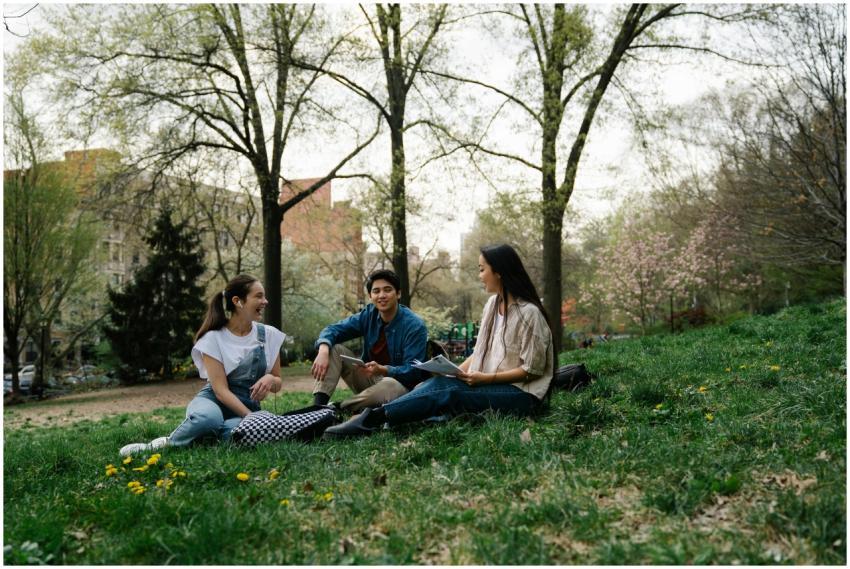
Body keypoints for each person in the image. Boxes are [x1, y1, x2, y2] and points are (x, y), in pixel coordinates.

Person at [324, 244, 554, 438]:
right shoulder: (491, 306)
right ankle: (385, 417)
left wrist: (486, 378)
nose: (479, 275)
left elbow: (532, 370)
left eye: (482, 269)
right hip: (491, 384)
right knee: (435, 384)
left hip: (521, 395)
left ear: (499, 272)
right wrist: (454, 371)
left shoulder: (529, 313)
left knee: (447, 391)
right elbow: (481, 351)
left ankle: (371, 420)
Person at [119, 275, 286, 456]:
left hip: (245, 410)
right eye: (259, 296)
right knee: (209, 419)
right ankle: (165, 444)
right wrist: (251, 417)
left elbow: (277, 383)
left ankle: (202, 438)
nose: (265, 301)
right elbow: (220, 391)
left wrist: (270, 379)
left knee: (233, 432)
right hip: (213, 402)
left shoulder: (269, 335)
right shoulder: (213, 339)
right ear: (238, 301)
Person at [310, 269, 428, 412]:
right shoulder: (368, 314)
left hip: (400, 387)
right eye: (376, 291)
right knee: (333, 348)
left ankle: (338, 408)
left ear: (398, 294)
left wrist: (384, 369)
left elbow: (413, 372)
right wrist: (323, 349)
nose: (382, 295)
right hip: (370, 379)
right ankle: (316, 408)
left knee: (389, 384)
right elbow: (334, 330)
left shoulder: (414, 325)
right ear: (370, 296)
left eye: (387, 290)